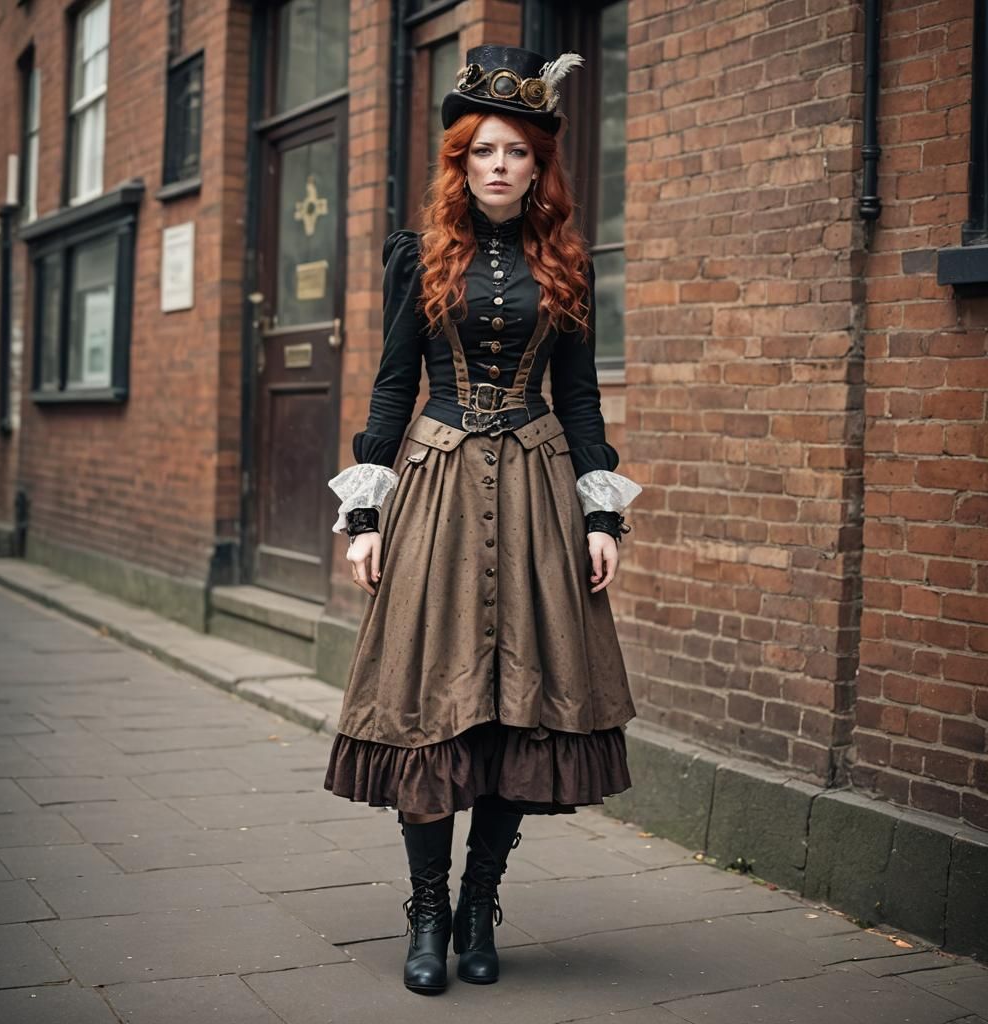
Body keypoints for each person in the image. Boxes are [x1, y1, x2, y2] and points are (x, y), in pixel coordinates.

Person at [323, 44, 642, 995]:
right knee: (432, 706)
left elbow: (580, 399)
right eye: (483, 151)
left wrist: (601, 517)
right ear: (461, 163)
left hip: (542, 487)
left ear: (540, 166)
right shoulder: (419, 257)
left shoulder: (566, 262)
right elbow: (390, 388)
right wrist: (366, 515)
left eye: (518, 152)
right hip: (439, 486)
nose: (500, 165)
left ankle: (476, 907)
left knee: (517, 711)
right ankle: (424, 913)